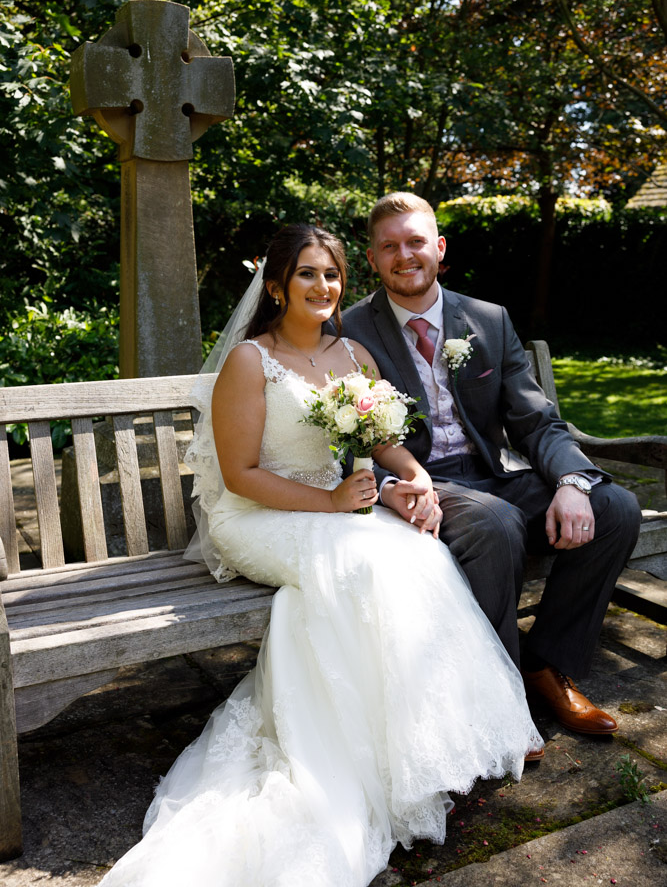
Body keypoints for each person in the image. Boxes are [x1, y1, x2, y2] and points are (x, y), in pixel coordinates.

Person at [98, 224, 542, 887]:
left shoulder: (354, 356)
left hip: (334, 510)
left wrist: (414, 479)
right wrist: (333, 503)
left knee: (421, 556)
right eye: (307, 273)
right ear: (277, 285)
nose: (322, 286)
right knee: (363, 567)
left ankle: (423, 742)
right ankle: (363, 760)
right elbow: (241, 475)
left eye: (331, 274)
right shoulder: (251, 361)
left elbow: (383, 442)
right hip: (258, 516)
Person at [342, 192, 642, 738]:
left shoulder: (487, 319)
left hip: (493, 475)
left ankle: (544, 666)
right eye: (389, 246)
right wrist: (387, 486)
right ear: (372, 258)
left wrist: (572, 482)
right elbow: (344, 441)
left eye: (415, 242)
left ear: (439, 247)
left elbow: (535, 420)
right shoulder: (349, 331)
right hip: (417, 485)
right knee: (497, 525)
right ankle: (497, 701)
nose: (404, 256)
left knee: (615, 507)